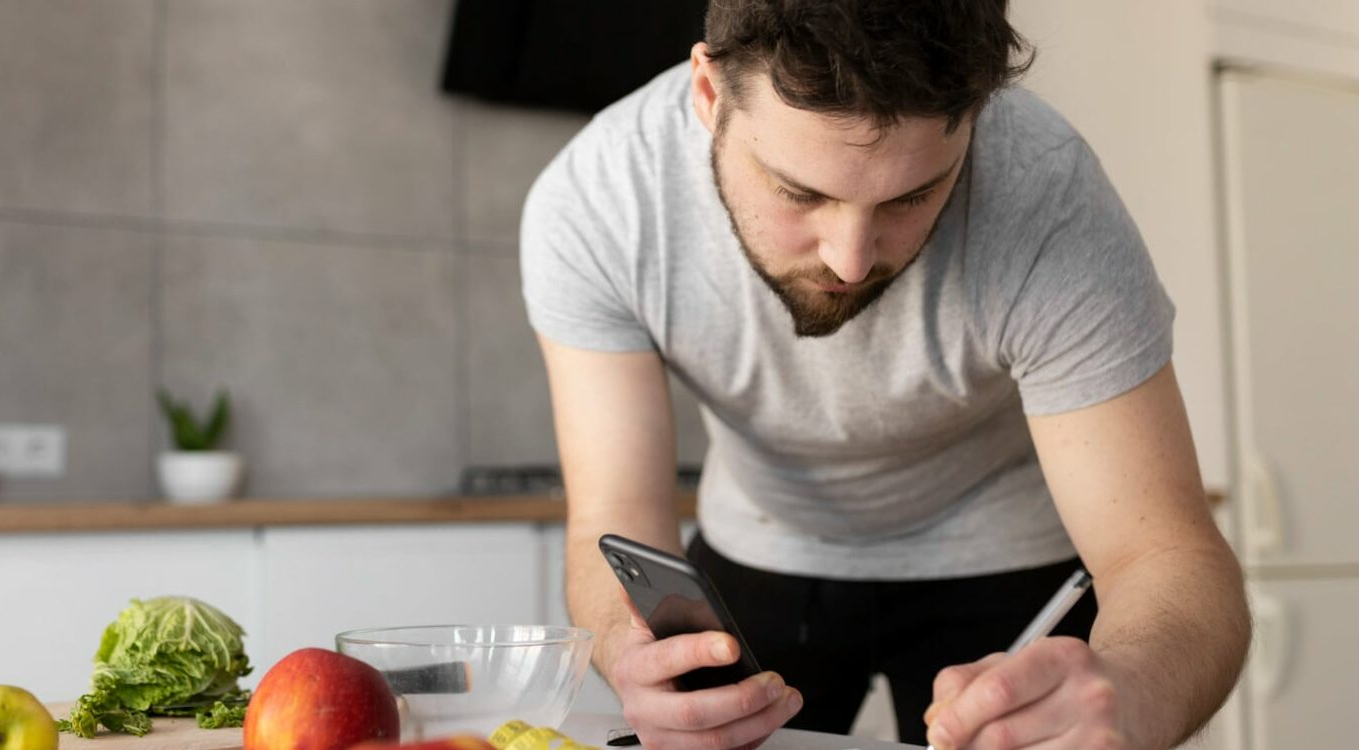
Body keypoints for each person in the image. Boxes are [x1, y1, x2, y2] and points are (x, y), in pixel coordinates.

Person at [520, 1, 1250, 748]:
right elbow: (612, 519)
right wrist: (627, 649)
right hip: (762, 549)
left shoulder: (1050, 200)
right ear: (708, 95)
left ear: (978, 118)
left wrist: (1134, 693)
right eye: (800, 192)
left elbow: (1165, 555)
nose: (851, 259)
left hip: (1007, 557)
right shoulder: (600, 200)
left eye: (912, 196)